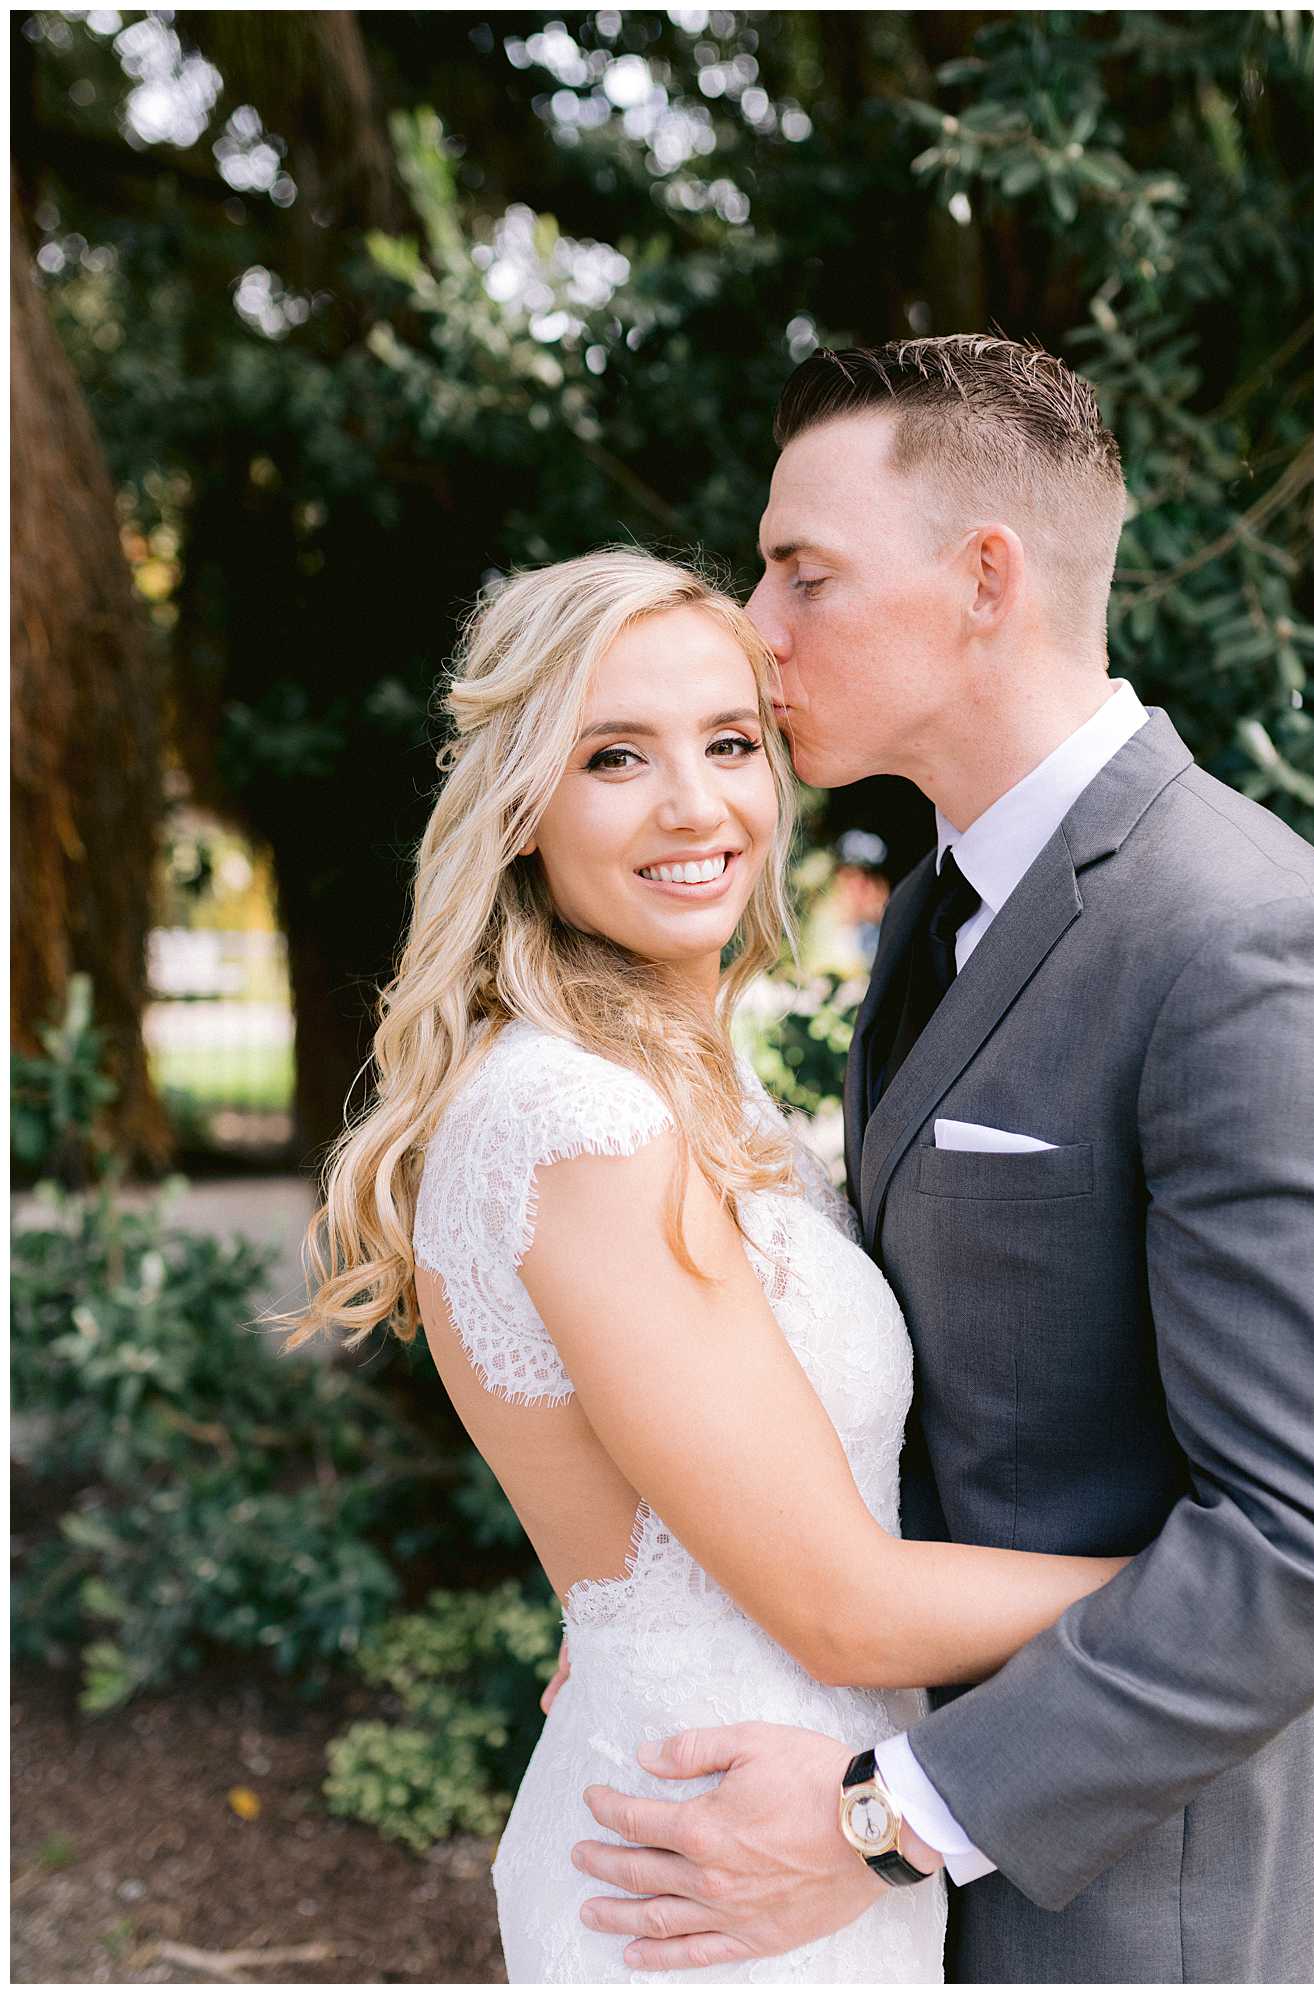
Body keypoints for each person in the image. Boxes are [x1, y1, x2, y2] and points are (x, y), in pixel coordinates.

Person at [565, 336, 1314, 1983]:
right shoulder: (934, 914)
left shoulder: (1243, 944)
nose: (756, 630)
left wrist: (881, 1816)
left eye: (801, 573)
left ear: (986, 580)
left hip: (1135, 1896)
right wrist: (681, 1628)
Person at [271, 544, 1141, 1984]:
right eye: (616, 755)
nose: (696, 804)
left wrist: (623, 1619)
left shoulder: (682, 1087)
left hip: (782, 1823)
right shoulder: (582, 1118)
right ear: (524, 802)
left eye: (730, 741)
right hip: (712, 1862)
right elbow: (836, 1599)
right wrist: (1209, 1585)